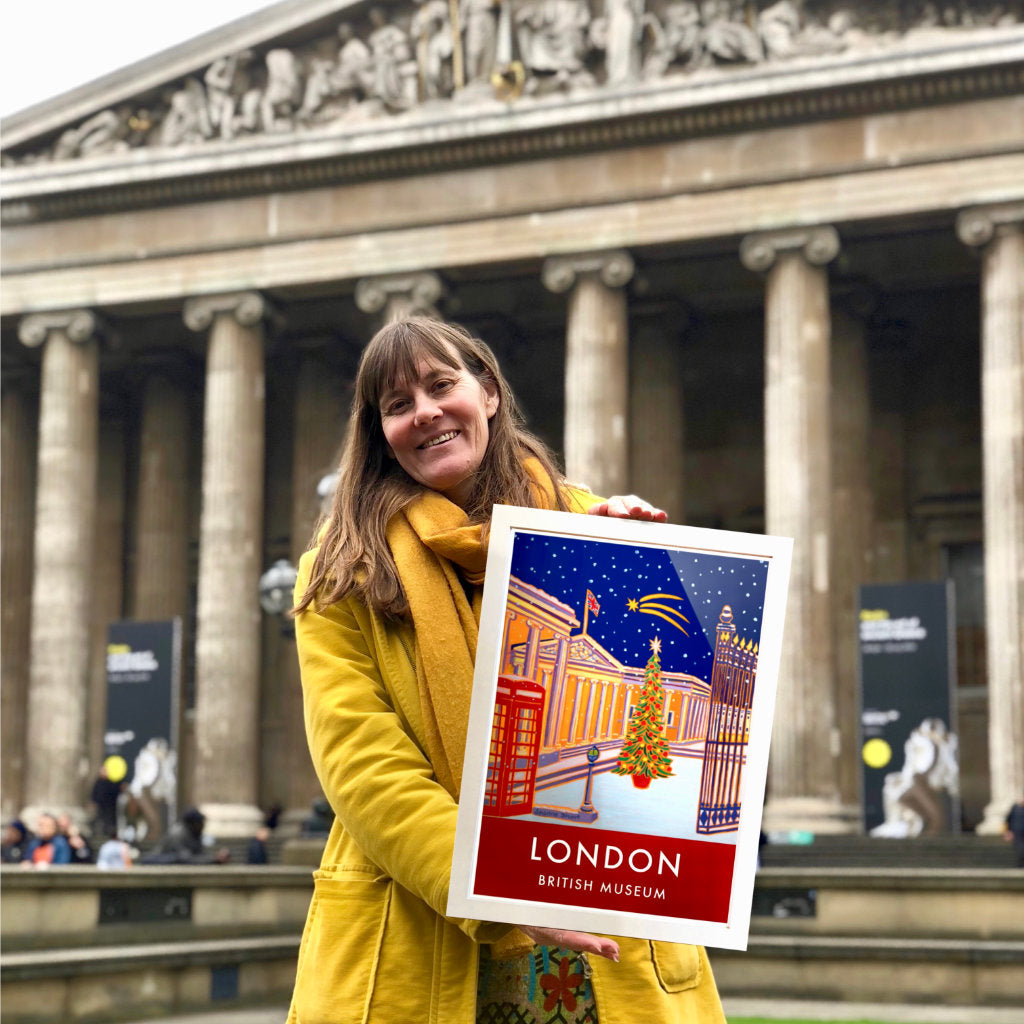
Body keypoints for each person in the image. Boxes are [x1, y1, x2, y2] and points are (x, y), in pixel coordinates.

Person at [286, 317, 724, 1023]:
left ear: (487, 392)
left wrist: (646, 575)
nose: (425, 412)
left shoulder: (591, 526)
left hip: (601, 938)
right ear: (379, 433)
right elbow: (364, 770)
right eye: (397, 406)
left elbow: (682, 715)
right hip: (425, 932)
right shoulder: (341, 574)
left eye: (440, 385)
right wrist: (498, 890)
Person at [139, 807, 230, 865]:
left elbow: (199, 854)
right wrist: (212, 860)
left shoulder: (194, 835)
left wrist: (216, 857)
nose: (203, 826)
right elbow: (185, 859)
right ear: (194, 824)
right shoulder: (178, 834)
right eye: (200, 823)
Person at [1005, 793, 1024, 868]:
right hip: (1017, 832)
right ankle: (1020, 865)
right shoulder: (1015, 807)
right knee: (1021, 850)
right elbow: (1008, 820)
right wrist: (1008, 831)